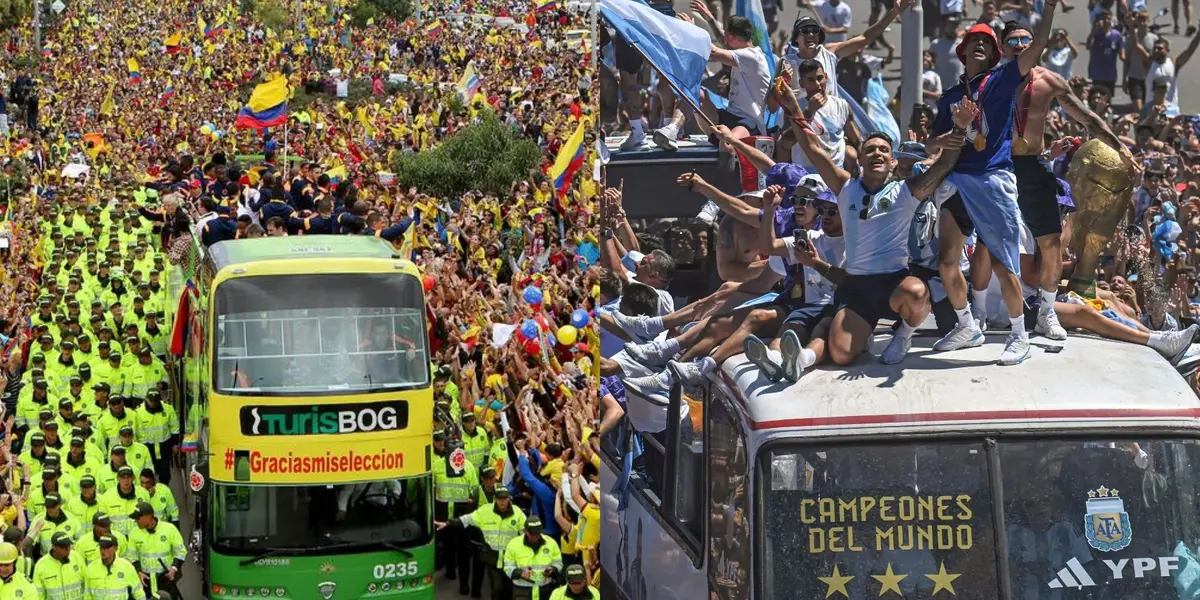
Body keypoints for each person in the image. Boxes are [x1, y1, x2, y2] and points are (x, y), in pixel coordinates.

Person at [779, 68, 977, 365]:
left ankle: (905, 334)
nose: (877, 154)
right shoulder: (845, 186)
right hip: (857, 287)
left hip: (893, 284)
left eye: (884, 150)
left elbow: (945, 164)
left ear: (893, 160)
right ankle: (860, 337)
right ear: (859, 159)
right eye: (869, 149)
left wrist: (961, 128)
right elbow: (812, 146)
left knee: (916, 291)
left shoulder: (907, 191)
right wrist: (793, 107)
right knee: (842, 356)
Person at [983, 21, 1137, 345]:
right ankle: (977, 311)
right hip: (998, 164)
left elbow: (1087, 118)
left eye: (1026, 39)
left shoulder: (1049, 81)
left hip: (1033, 166)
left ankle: (1047, 312)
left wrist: (1120, 147)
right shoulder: (992, 82)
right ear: (1003, 46)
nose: (1021, 45)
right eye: (1013, 40)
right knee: (987, 238)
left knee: (1051, 242)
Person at [926, 4, 1058, 366]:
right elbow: (931, 143)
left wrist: (1047, 9)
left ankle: (1019, 335)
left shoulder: (1001, 80)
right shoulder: (950, 97)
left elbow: (1039, 43)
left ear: (994, 54)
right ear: (963, 51)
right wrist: (947, 138)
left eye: (987, 42)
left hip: (993, 182)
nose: (980, 45)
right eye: (974, 41)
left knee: (1003, 265)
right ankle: (967, 326)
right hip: (959, 183)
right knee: (947, 262)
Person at [440, 486, 526, 600]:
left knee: (509, 589)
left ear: (509, 499)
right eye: (499, 498)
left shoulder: (518, 513)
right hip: (492, 558)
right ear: (495, 499)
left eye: (504, 498)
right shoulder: (485, 511)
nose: (502, 501)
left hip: (511, 559)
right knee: (496, 589)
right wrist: (449, 523)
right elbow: (467, 519)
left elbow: (525, 534)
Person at [127, 501, 185, 600]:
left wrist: (174, 568)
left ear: (148, 517)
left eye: (138, 518)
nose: (135, 521)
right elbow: (132, 556)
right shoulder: (134, 533)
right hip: (146, 581)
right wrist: (139, 572)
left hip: (165, 579)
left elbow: (180, 552)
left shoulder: (169, 529)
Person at [503, 516, 563, 600]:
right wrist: (520, 573)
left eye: (538, 533)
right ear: (526, 531)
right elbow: (507, 567)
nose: (536, 536)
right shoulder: (513, 544)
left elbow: (558, 563)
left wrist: (552, 570)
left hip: (545, 590)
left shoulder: (551, 543)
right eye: (533, 533)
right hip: (522, 591)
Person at [83, 536, 144, 600]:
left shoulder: (126, 566)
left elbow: (138, 593)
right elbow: (87, 595)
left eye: (107, 547)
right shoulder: (91, 568)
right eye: (101, 547)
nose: (103, 550)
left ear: (116, 548)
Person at [31, 531, 86, 600]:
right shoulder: (41, 565)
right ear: (54, 547)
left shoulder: (76, 557)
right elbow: (38, 594)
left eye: (68, 546)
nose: (68, 549)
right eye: (63, 547)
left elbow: (86, 583)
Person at [1085, 10, 1124, 96]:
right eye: (1104, 19)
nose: (1107, 21)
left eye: (1109, 19)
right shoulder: (1096, 34)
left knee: (1107, 100)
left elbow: (1122, 54)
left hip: (1110, 75)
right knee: (1096, 98)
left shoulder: (1117, 35)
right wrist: (1093, 32)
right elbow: (1088, 46)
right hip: (1097, 74)